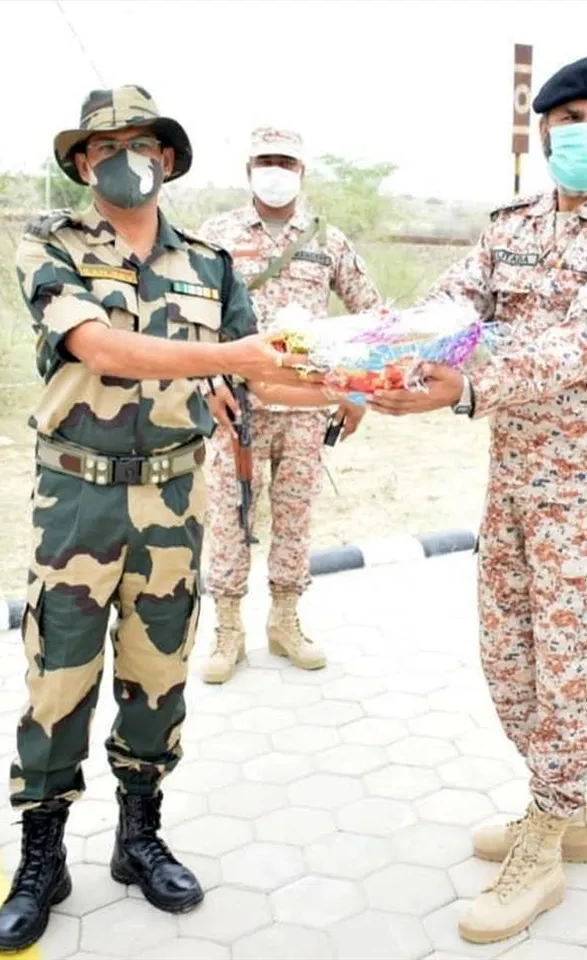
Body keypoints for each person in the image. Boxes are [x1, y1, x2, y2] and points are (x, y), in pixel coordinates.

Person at [0, 86, 328, 953]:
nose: (122, 157)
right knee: (59, 674)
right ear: (79, 163)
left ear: (168, 159)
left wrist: (361, 387)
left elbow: (259, 374)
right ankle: (41, 856)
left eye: (139, 142)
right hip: (77, 497)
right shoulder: (50, 243)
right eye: (102, 145)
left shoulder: (211, 264)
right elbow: (101, 348)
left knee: (157, 672)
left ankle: (138, 840)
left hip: (176, 497)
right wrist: (233, 357)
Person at [369, 56, 587, 944]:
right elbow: (451, 301)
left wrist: (460, 390)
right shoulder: (509, 226)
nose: (586, 128)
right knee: (509, 654)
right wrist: (374, 349)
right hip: (512, 479)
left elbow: (577, 345)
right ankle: (565, 814)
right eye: (570, 115)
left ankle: (547, 836)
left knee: (573, 663)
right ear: (542, 130)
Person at [195, 127, 383, 684]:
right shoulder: (217, 235)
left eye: (285, 161)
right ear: (249, 167)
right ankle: (228, 631)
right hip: (237, 408)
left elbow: (368, 316)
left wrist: (358, 390)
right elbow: (195, 316)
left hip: (306, 406)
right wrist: (209, 380)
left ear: (301, 171)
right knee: (228, 519)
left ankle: (284, 621)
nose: (274, 170)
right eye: (265, 160)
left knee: (296, 519)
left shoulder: (328, 241)